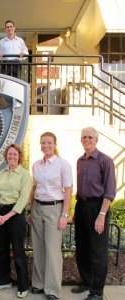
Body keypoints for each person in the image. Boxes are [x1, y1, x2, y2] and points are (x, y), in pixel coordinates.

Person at [71, 127, 116, 300]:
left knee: (98, 251)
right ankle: (86, 281)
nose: (87, 139)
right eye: (84, 137)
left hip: (98, 207)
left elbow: (110, 192)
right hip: (81, 206)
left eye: (90, 137)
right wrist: (77, 210)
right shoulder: (80, 161)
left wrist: (102, 215)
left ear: (96, 140)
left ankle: (97, 291)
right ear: (81, 140)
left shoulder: (106, 161)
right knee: (82, 247)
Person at [27, 132, 73, 300]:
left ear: (55, 144)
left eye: (49, 143)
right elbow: (34, 188)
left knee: (52, 249)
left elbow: (68, 191)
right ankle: (38, 284)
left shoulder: (63, 165)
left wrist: (64, 215)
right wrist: (31, 210)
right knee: (38, 247)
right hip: (38, 208)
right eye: (43, 143)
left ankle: (53, 289)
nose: (45, 145)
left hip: (55, 209)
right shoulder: (36, 165)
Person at [0, 144, 32, 298]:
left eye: (14, 154)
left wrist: (6, 217)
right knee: (1, 249)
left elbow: (23, 198)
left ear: (19, 157)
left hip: (15, 215)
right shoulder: (1, 173)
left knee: (18, 250)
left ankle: (23, 285)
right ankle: (3, 281)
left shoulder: (24, 174)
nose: (12, 157)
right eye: (9, 154)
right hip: (0, 213)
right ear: (6, 157)